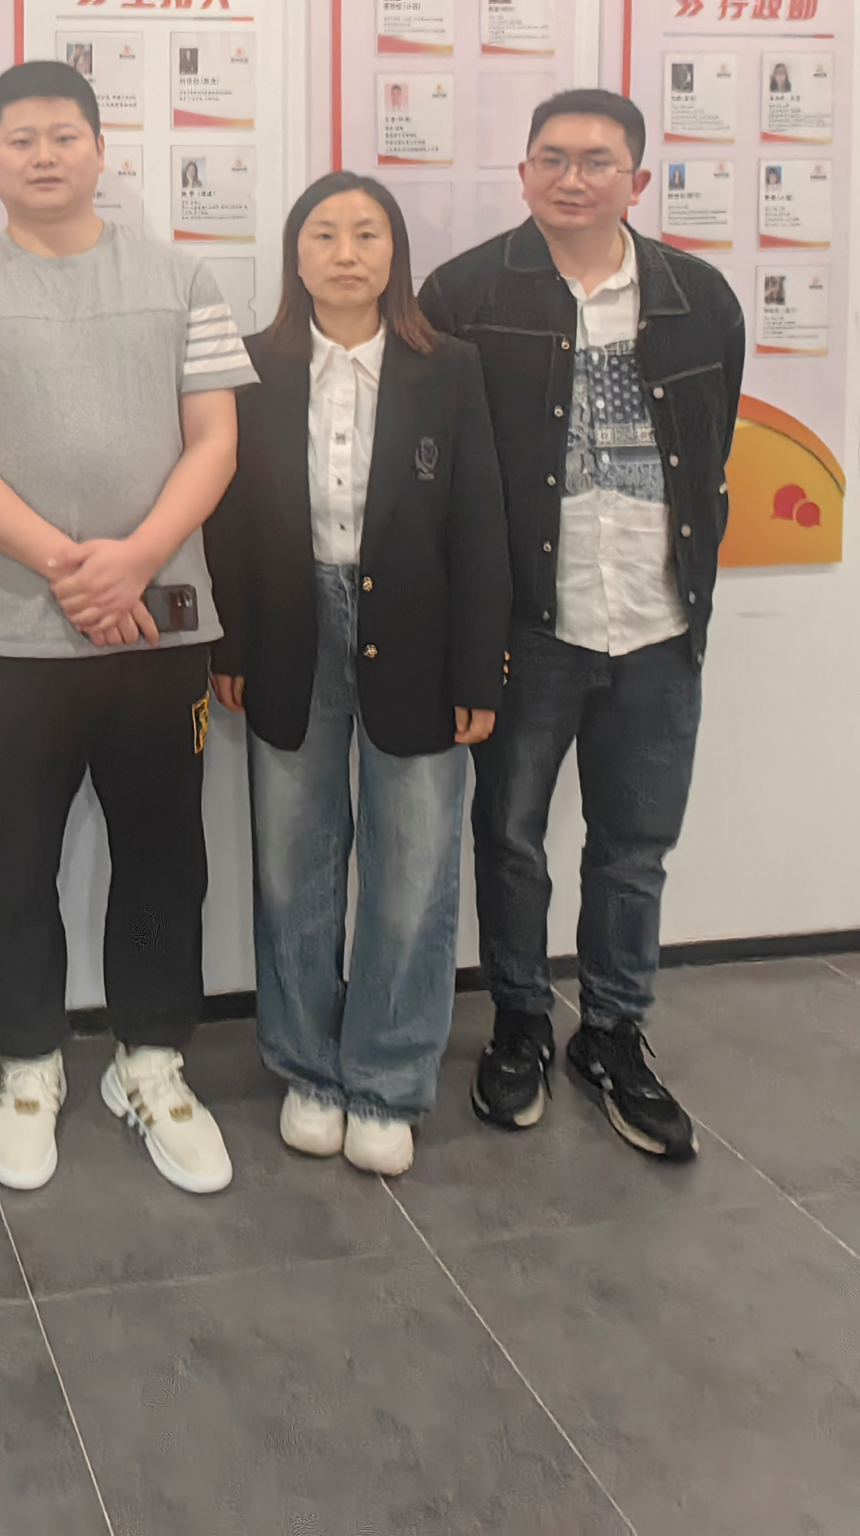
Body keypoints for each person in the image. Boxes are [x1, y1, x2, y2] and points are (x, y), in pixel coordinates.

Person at [0, 61, 254, 1196]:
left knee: (164, 853)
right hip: (13, 631)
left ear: (101, 150)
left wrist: (136, 559)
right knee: (15, 859)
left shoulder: (181, 279)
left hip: (163, 626)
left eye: (63, 135)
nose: (42, 155)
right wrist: (69, 565)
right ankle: (28, 1063)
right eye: (19, 138)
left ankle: (150, 1062)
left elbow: (215, 442)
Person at [419, 90, 744, 1160]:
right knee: (509, 836)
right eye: (551, 158)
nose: (572, 177)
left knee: (633, 847)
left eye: (597, 161)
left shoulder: (698, 297)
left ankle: (611, 1031)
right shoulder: (464, 293)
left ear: (636, 181)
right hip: (529, 624)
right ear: (521, 173)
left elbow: (712, 451)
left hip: (657, 621)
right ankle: (518, 1018)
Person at [205, 173, 509, 1177]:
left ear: (395, 255)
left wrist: (479, 668)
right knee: (291, 865)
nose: (345, 252)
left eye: (367, 234)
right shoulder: (253, 366)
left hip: (417, 636)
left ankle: (385, 1079)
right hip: (288, 631)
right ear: (294, 255)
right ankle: (306, 1067)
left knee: (411, 869)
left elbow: (480, 523)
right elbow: (228, 520)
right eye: (324, 234)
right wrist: (229, 647)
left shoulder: (446, 367)